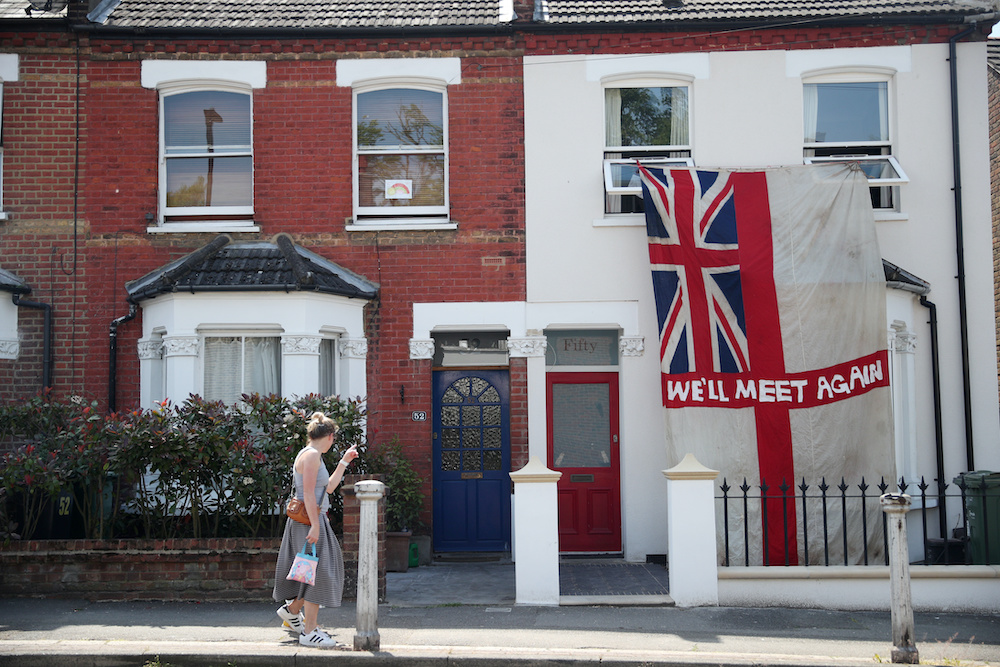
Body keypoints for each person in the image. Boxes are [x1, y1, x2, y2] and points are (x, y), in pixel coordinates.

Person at [272, 411, 359, 648]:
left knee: (311, 573)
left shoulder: (313, 455)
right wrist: (316, 525)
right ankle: (309, 631)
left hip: (311, 521)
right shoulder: (311, 456)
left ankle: (292, 613)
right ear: (330, 436)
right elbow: (308, 494)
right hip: (309, 522)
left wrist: (344, 461)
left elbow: (327, 488)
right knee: (317, 575)